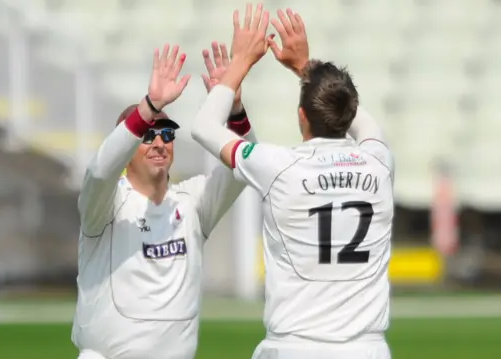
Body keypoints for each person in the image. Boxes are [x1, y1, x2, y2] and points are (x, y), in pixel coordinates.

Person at [191, 4, 394, 359]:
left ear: (301, 115)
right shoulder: (378, 163)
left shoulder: (279, 166)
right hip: (366, 349)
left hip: (295, 347)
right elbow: (365, 124)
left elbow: (204, 127)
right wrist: (305, 67)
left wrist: (240, 64)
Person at [72, 43, 257, 359]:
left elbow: (246, 166)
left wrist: (235, 110)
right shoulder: (105, 204)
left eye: (167, 134)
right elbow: (100, 171)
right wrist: (150, 106)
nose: (159, 143)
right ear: (127, 146)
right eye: (147, 135)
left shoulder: (192, 201)